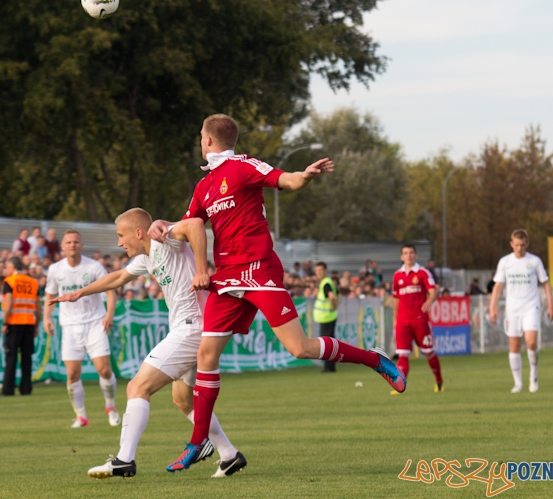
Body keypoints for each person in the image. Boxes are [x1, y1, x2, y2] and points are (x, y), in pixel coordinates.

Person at [148, 113, 405, 472]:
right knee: (207, 356)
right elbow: (191, 225)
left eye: (201, 139)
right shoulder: (203, 186)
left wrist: (304, 176)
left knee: (299, 348)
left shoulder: (242, 166)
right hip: (227, 280)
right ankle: (197, 441)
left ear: (206, 141)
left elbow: (285, 179)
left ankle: (374, 359)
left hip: (258, 271)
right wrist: (165, 225)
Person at [51, 209, 245, 479]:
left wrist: (201, 270)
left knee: (137, 387)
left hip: (191, 329)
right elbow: (118, 277)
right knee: (182, 401)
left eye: (121, 235)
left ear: (138, 232)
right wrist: (79, 293)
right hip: (193, 329)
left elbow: (196, 224)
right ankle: (229, 454)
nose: (119, 243)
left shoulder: (164, 239)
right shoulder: (146, 257)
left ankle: (124, 459)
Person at [43, 230, 119, 427]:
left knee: (103, 370)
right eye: (68, 242)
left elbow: (111, 291)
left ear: (81, 245)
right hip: (69, 326)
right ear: (62, 246)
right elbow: (50, 295)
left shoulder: (93, 267)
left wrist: (109, 315)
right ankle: (81, 416)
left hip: (95, 323)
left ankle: (110, 405)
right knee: (72, 375)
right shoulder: (55, 270)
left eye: (75, 242)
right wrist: (46, 318)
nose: (72, 245)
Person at [489, 229, 553, 393]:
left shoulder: (534, 261)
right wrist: (492, 307)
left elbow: (545, 283)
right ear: (512, 244)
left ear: (527, 244)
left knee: (531, 341)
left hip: (531, 307)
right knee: (514, 345)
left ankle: (533, 375)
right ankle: (518, 383)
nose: (519, 248)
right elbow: (498, 285)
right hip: (512, 309)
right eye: (516, 245)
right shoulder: (505, 262)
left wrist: (551, 305)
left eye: (522, 245)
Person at [392, 244, 442, 393]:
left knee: (429, 353)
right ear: (402, 257)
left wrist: (430, 300)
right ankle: (400, 386)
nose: (409, 256)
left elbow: (432, 291)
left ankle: (439, 381)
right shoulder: (397, 276)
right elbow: (395, 298)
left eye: (411, 253)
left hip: (420, 319)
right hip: (403, 320)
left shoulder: (423, 273)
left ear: (416, 255)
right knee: (402, 353)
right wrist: (395, 317)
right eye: (406, 253)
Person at [0, 257, 40, 396]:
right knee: (26, 359)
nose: (6, 270)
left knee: (11, 357)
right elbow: (39, 309)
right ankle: (26, 389)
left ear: (13, 266)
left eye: (7, 267)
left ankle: (8, 390)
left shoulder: (10, 281)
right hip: (29, 324)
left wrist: (5, 322)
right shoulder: (33, 282)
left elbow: (8, 305)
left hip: (14, 324)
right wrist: (36, 326)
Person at [313, 262, 339, 373]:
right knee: (330, 342)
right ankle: (331, 366)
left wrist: (333, 307)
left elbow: (332, 296)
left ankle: (329, 367)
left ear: (325, 270)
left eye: (320, 270)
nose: (318, 273)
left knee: (327, 344)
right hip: (328, 317)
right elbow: (338, 294)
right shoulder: (327, 282)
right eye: (317, 270)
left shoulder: (326, 283)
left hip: (327, 317)